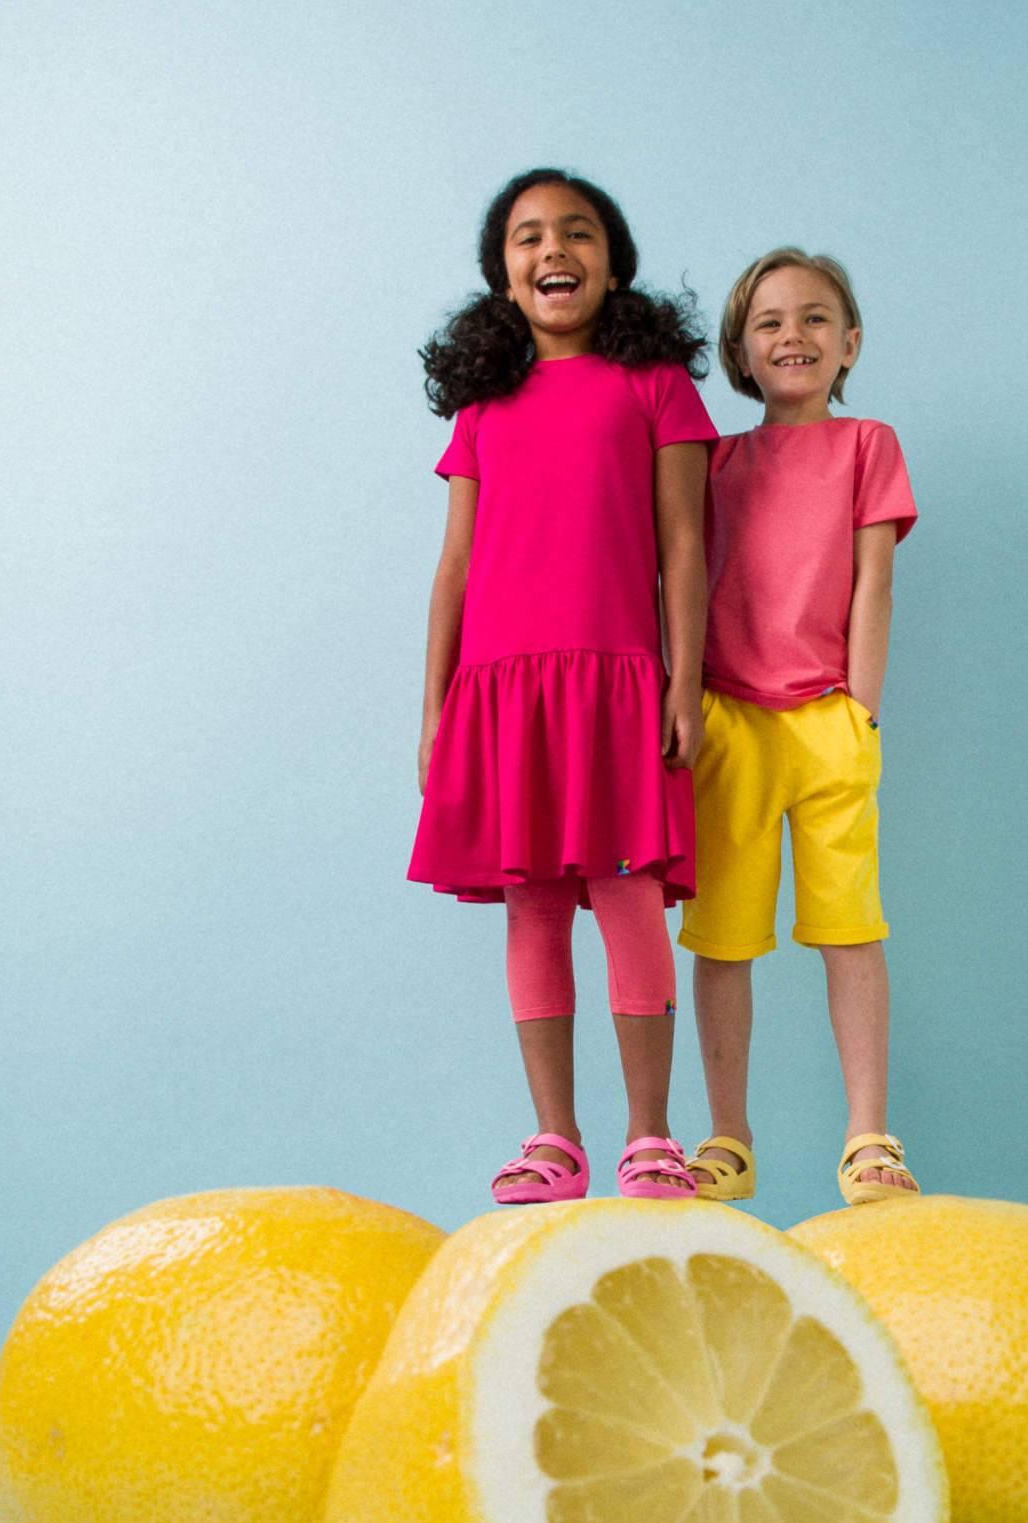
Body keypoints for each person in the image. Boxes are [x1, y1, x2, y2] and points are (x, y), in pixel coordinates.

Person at [409, 167, 717, 1202]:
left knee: (625, 894)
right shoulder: (483, 411)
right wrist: (434, 706)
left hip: (617, 681)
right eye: (529, 237)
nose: (554, 251)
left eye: (576, 233)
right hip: (500, 692)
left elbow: (683, 541)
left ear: (612, 261)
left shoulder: (656, 387)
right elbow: (452, 566)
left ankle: (649, 1136)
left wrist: (683, 681)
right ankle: (554, 1138)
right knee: (532, 908)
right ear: (502, 275)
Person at [678, 249, 922, 1206]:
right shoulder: (717, 461)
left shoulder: (869, 446)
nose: (794, 336)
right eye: (771, 321)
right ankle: (727, 1136)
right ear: (742, 349)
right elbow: (685, 579)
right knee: (723, 938)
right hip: (727, 720)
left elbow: (875, 581)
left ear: (850, 342)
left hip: (828, 719)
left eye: (817, 318)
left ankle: (869, 1137)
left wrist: (860, 707)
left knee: (849, 931)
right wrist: (688, 698)